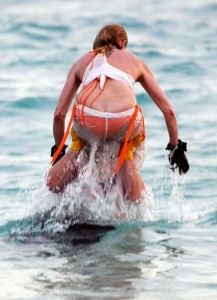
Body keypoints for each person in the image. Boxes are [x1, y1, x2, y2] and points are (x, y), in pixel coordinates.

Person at [46, 24, 188, 202]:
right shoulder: (134, 60)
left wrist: (59, 152)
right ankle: (127, 157)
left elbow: (59, 114)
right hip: (124, 119)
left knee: (79, 139)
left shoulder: (81, 61)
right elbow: (169, 112)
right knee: (133, 133)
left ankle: (76, 149)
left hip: (88, 118)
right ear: (123, 42)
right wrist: (176, 149)